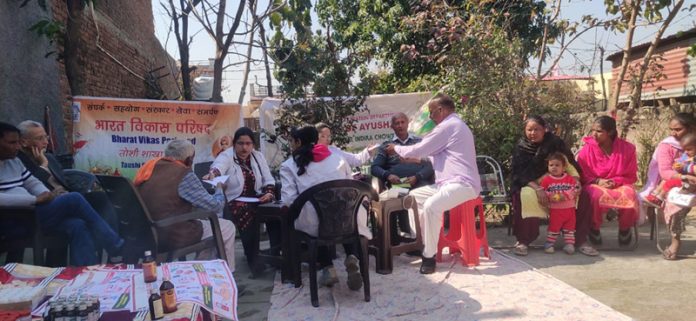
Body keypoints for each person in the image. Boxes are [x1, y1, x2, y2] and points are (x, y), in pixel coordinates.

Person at [0, 122, 124, 266]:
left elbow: (32, 182)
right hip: (14, 220)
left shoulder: (14, 162)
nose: (17, 147)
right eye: (12, 143)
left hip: (34, 214)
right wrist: (34, 200)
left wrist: (45, 193)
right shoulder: (19, 159)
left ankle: (85, 272)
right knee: (74, 199)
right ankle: (114, 244)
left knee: (77, 224)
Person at [384, 93, 481, 274]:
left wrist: (396, 148)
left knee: (431, 206)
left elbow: (420, 148)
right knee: (412, 197)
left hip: (462, 184)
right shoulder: (455, 126)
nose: (430, 117)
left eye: (431, 113)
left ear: (441, 110)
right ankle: (421, 239)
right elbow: (430, 155)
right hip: (447, 184)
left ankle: (429, 257)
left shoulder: (448, 126)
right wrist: (413, 160)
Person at [280, 126, 366, 290]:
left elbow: (289, 200)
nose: (291, 145)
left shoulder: (289, 165)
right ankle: (352, 256)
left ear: (298, 142)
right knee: (341, 214)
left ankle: (327, 267)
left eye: (292, 141)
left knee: (310, 220)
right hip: (347, 219)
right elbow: (350, 186)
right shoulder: (337, 158)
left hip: (315, 224)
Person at [134, 139, 237, 270]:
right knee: (226, 227)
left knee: (211, 228)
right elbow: (215, 206)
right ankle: (228, 275)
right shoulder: (183, 173)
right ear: (189, 159)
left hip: (145, 232)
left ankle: (200, 270)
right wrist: (219, 188)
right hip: (170, 233)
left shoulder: (150, 167)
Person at [509, 116, 596, 256]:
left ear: (545, 130)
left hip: (560, 181)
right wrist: (538, 189)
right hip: (530, 184)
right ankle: (523, 241)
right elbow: (518, 174)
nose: (532, 133)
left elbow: (569, 164)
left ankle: (580, 240)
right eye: (529, 129)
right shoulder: (521, 147)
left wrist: (576, 182)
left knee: (583, 195)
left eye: (536, 129)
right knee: (523, 196)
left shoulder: (555, 143)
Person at [16, 120, 119, 234]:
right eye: (40, 138)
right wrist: (43, 166)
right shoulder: (18, 161)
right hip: (45, 206)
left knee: (97, 200)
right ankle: (115, 241)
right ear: (24, 142)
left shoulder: (49, 157)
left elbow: (64, 182)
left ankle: (112, 239)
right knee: (95, 201)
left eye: (46, 137)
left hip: (66, 199)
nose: (46, 142)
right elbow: (31, 185)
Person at [204, 127, 279, 274]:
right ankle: (254, 259)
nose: (244, 147)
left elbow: (268, 178)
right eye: (240, 143)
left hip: (256, 196)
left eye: (248, 143)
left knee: (277, 212)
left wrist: (269, 193)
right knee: (247, 210)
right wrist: (214, 173)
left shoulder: (258, 156)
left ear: (253, 145)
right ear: (234, 144)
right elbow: (218, 167)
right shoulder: (227, 156)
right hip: (235, 198)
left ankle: (275, 254)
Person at [371, 112, 434, 244]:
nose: (400, 125)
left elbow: (430, 165)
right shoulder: (386, 146)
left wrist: (418, 176)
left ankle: (423, 238)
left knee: (423, 197)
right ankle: (407, 238)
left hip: (419, 181)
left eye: (402, 122)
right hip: (398, 184)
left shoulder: (418, 142)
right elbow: (375, 168)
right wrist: (388, 175)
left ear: (407, 123)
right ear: (392, 126)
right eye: (396, 123)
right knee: (400, 197)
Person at [576, 116, 638, 247]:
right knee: (595, 195)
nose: (594, 134)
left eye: (599, 131)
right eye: (592, 130)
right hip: (594, 183)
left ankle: (625, 229)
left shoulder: (628, 149)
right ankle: (594, 228)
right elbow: (581, 174)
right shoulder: (587, 150)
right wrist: (598, 181)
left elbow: (631, 174)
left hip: (620, 183)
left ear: (609, 132)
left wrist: (614, 182)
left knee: (630, 195)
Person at [539, 152, 580, 255]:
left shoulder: (569, 179)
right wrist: (552, 196)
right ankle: (549, 244)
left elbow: (575, 190)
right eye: (551, 165)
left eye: (557, 165)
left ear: (564, 167)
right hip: (556, 210)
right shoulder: (547, 180)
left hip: (570, 210)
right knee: (554, 227)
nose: (554, 167)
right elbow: (544, 191)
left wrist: (565, 195)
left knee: (569, 228)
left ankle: (569, 245)